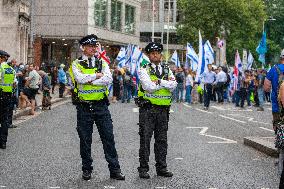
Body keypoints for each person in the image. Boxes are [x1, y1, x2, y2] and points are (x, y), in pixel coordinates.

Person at [69, 34, 125, 181]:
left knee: (108, 138)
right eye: (90, 46)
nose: (94, 48)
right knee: (85, 140)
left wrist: (91, 80)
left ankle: (115, 170)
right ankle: (87, 169)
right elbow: (79, 79)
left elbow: (108, 79)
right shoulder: (76, 64)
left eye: (95, 46)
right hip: (84, 107)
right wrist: (97, 76)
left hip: (101, 106)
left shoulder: (102, 62)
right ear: (83, 48)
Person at [137, 42, 177, 179]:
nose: (156, 55)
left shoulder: (167, 69)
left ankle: (161, 167)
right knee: (145, 140)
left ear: (161, 54)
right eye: (153, 53)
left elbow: (174, 85)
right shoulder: (144, 69)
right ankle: (143, 168)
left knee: (162, 140)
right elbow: (148, 87)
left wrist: (159, 82)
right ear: (149, 55)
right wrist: (165, 83)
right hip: (148, 110)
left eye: (158, 52)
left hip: (163, 111)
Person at [264, 49, 284, 189]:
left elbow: (266, 87)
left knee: (279, 129)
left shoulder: (273, 69)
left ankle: (280, 156)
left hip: (278, 107)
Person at [0, 50, 17, 149]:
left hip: (0, 95)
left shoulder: (0, 68)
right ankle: (3, 142)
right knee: (5, 119)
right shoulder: (11, 69)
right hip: (8, 96)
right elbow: (15, 83)